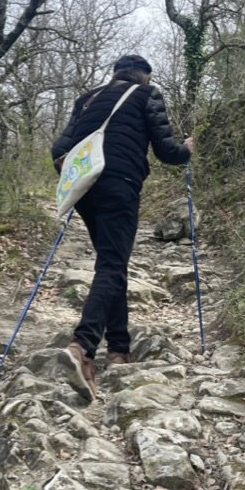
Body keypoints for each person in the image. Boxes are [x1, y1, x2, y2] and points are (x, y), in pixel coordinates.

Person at [51, 54, 194, 402]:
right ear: (144, 76)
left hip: (85, 187)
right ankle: (82, 347)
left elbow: (58, 149)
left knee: (111, 264)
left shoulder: (88, 98)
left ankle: (119, 347)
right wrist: (186, 150)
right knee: (112, 265)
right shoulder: (147, 95)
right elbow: (166, 151)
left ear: (115, 74)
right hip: (121, 184)